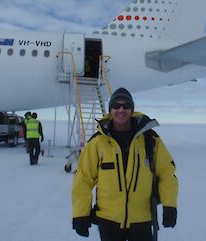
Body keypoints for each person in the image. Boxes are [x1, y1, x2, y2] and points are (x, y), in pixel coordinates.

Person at [72, 87, 178, 241]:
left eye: (126, 106)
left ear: (132, 109)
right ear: (110, 110)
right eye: (116, 105)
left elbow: (167, 173)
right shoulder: (97, 142)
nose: (121, 109)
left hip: (142, 219)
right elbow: (83, 179)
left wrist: (170, 206)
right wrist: (80, 215)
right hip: (108, 220)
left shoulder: (150, 139)